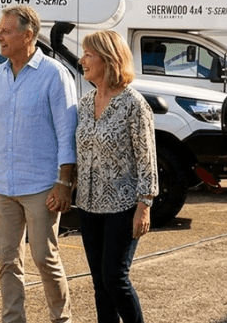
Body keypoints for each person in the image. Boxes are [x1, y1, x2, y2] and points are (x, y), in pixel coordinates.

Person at [0, 4, 77, 323]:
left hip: (42, 186)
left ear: (27, 35)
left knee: (44, 258)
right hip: (4, 185)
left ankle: (62, 319)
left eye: (5, 31)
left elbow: (67, 133)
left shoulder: (55, 75)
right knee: (7, 261)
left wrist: (64, 183)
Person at [73, 30, 157, 323]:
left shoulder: (134, 105)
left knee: (114, 278)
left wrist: (144, 205)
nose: (81, 60)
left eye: (88, 54)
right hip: (88, 204)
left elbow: (147, 159)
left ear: (108, 59)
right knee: (99, 282)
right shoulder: (85, 103)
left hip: (123, 206)